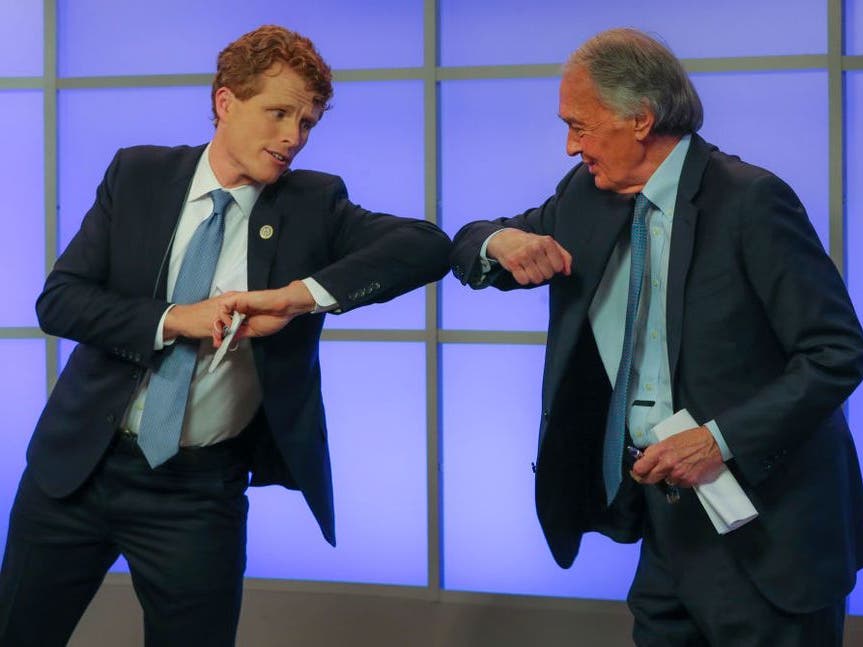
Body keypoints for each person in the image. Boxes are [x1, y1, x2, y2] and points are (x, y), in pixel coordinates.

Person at [0, 24, 450, 646]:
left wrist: (296, 298)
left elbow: (426, 247)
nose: (293, 136)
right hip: (78, 469)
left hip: (198, 493)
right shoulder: (138, 175)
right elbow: (60, 301)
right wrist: (171, 319)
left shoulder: (313, 203)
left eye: (308, 122)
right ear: (225, 102)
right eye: (279, 112)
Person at [450, 27, 863, 646]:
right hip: (665, 529)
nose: (569, 147)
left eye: (580, 126)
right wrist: (498, 241)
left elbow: (836, 352)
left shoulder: (751, 201)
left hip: (770, 535)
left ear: (640, 119)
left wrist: (717, 440)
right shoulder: (583, 197)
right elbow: (470, 244)